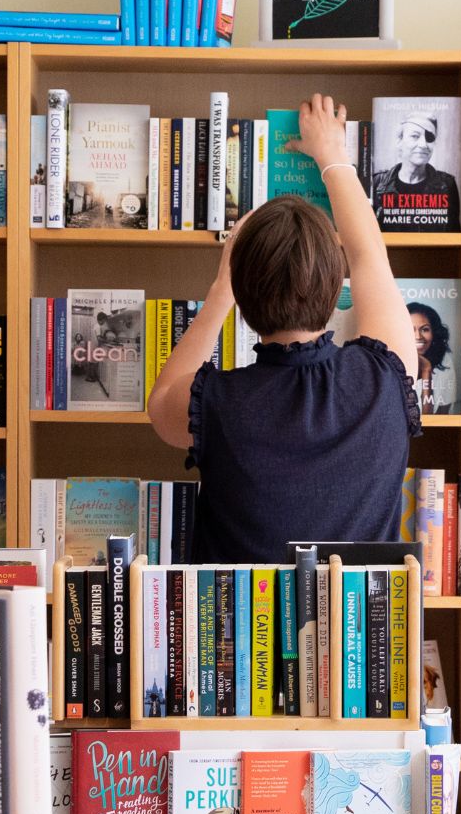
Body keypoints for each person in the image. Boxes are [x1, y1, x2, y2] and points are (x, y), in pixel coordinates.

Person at [149, 93, 419, 564]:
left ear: (244, 300)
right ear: (338, 290)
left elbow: (161, 401)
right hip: (361, 636)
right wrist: (332, 156)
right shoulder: (385, 377)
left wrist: (220, 289)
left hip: (236, 635)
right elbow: (369, 256)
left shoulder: (215, 403)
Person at [367, 114, 461, 229]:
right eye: (415, 136)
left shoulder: (447, 185)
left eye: (430, 137)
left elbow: (453, 236)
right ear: (399, 141)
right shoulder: (377, 183)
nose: (423, 145)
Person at [406, 301, 457, 415]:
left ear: (434, 332)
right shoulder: (389, 360)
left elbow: (437, 420)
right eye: (410, 329)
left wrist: (426, 371)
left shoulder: (445, 361)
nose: (418, 336)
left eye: (425, 329)